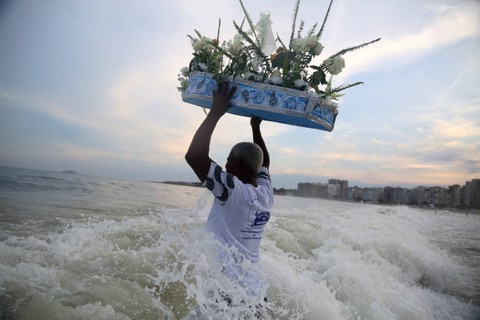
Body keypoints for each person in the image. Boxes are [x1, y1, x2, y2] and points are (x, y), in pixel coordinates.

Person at [185, 82, 273, 304]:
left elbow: (194, 157)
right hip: (256, 293)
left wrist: (216, 112)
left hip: (229, 295)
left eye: (228, 162)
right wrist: (255, 126)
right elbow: (265, 162)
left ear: (237, 167)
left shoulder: (231, 190)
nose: (224, 166)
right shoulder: (266, 193)